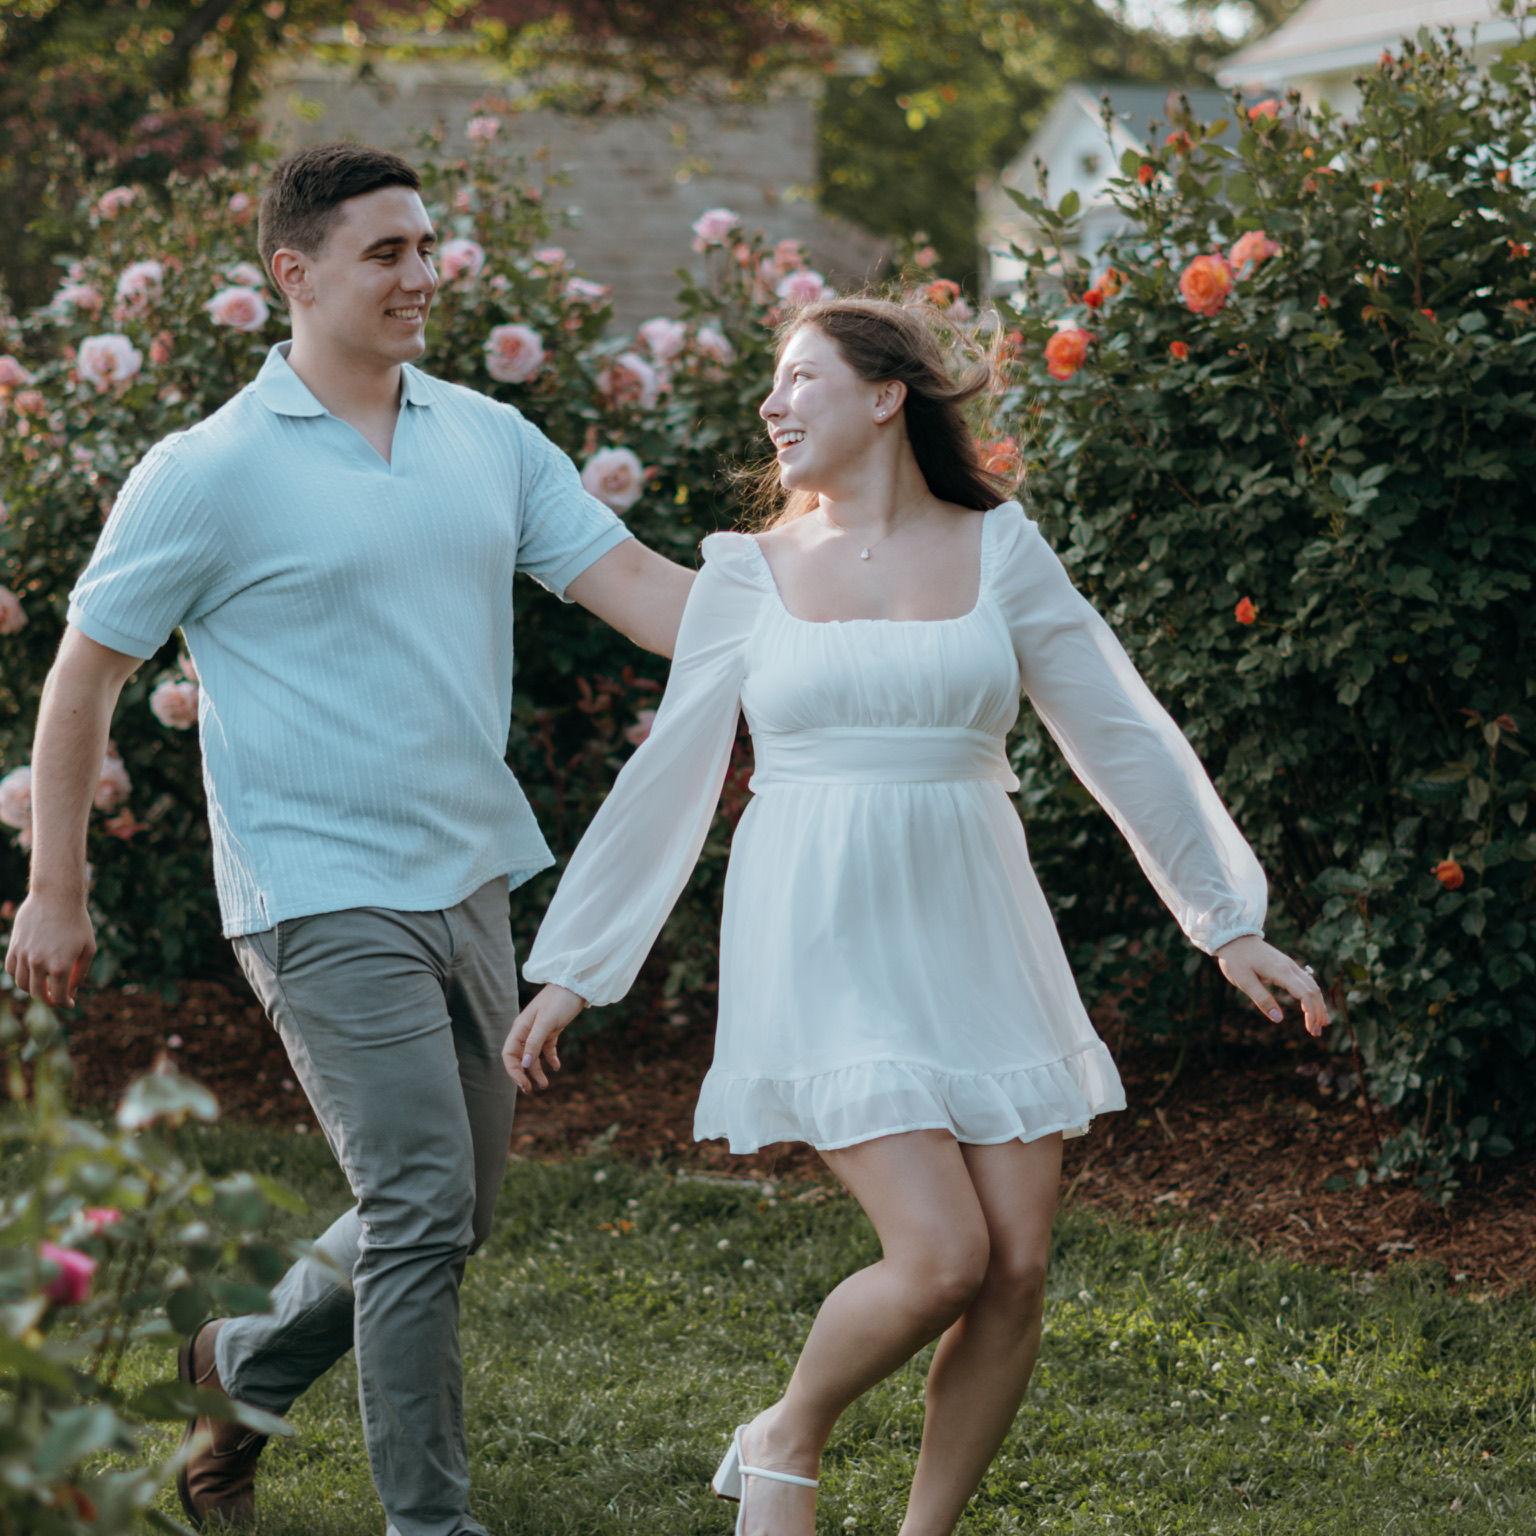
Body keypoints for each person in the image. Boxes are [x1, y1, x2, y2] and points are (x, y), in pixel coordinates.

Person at [503, 296, 1330, 1536]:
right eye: (774, 382)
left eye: (801, 378)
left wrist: (1226, 920)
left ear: (888, 396)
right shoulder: (747, 573)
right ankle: (785, 1436)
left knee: (1017, 1270)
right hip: (820, 924)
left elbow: (1116, 727)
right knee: (943, 1256)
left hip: (977, 921)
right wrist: (579, 964)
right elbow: (669, 772)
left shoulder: (1003, 549)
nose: (773, 405)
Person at [3, 142, 694, 1536]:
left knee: (451, 1210)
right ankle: (430, 1522)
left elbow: (641, 590)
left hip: (470, 872)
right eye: (387, 252)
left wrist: (834, 613)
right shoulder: (211, 470)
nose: (422, 274)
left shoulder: (487, 438)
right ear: (295, 274)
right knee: (420, 1202)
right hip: (314, 888)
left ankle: (241, 1364)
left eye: (426, 247)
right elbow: (83, 678)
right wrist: (53, 888)